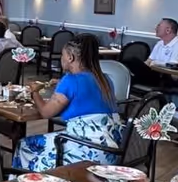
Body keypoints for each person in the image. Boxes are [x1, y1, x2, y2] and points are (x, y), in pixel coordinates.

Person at [13, 34, 122, 171]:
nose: (61, 59)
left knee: (24, 145)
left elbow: (46, 112)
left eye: (62, 55)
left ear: (70, 57)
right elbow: (84, 96)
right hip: (110, 150)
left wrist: (34, 91)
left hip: (85, 151)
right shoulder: (105, 79)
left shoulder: (70, 80)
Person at [126, 18, 178, 86]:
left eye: (159, 26)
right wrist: (141, 67)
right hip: (154, 74)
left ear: (168, 30)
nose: (156, 28)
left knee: (132, 61)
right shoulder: (159, 43)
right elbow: (149, 61)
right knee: (130, 66)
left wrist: (155, 63)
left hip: (167, 78)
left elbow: (174, 66)